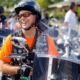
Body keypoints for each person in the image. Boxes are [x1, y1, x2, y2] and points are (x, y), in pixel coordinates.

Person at [0, 1, 59, 80]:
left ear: (36, 16)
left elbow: (55, 65)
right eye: (20, 16)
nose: (22, 18)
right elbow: (1, 65)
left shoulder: (47, 40)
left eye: (26, 14)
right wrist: (19, 70)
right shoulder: (11, 39)